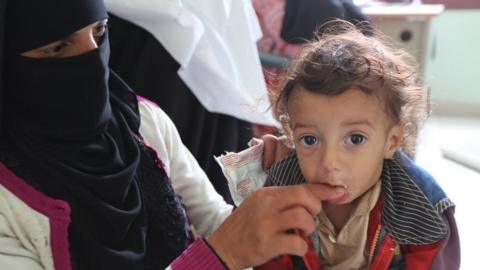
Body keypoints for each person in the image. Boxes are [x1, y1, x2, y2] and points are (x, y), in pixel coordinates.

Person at [0, 1, 347, 270]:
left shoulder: (142, 124)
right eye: (59, 48)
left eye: (100, 32)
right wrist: (220, 255)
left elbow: (215, 221)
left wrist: (276, 187)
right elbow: (223, 246)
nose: (91, 58)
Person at [255, 21, 460, 269]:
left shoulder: (421, 206)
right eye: (309, 140)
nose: (329, 162)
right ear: (291, 133)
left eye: (355, 139)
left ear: (391, 141)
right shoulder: (280, 190)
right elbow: (265, 256)